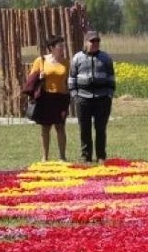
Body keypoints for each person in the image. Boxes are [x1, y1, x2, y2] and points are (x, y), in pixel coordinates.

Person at [68, 31, 115, 163]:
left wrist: (109, 95)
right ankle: (86, 156)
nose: (95, 44)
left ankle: (101, 156)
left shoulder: (106, 58)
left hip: (102, 99)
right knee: (84, 129)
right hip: (83, 98)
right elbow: (72, 78)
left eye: (97, 41)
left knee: (101, 129)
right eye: (92, 41)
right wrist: (75, 95)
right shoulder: (77, 58)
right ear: (86, 42)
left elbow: (111, 78)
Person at [27, 35, 70, 161]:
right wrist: (40, 77)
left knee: (60, 127)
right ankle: (45, 157)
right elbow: (31, 79)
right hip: (46, 97)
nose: (62, 49)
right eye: (60, 46)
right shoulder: (40, 61)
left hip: (60, 97)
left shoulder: (66, 62)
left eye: (63, 46)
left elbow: (67, 80)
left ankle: (62, 157)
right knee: (45, 127)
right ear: (52, 48)